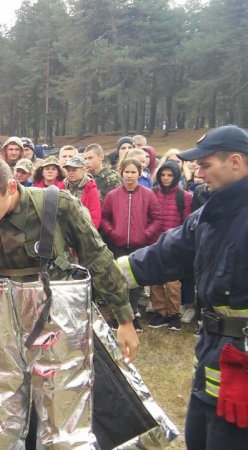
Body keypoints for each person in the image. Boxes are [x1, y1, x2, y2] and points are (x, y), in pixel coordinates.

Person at [0, 155, 138, 447]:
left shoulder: (58, 206)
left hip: (55, 320)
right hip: (0, 324)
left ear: (11, 187)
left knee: (63, 410)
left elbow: (98, 259)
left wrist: (124, 318)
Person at [116, 125, 248, 448]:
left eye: (205, 165)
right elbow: (164, 255)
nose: (198, 173)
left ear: (235, 162)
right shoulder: (209, 214)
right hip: (210, 364)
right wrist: (104, 276)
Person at [101, 157, 162, 331]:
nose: (129, 175)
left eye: (133, 172)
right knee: (119, 280)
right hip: (117, 244)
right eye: (126, 172)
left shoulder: (148, 194)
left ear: (139, 174)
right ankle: (119, 315)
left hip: (138, 244)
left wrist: (145, 234)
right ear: (121, 173)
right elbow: (105, 218)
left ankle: (133, 314)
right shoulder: (113, 195)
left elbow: (157, 218)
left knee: (134, 281)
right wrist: (113, 233)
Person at [147, 160, 191, 331]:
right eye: (163, 175)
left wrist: (181, 241)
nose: (166, 178)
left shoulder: (183, 196)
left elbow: (187, 221)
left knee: (172, 282)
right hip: (154, 242)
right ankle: (160, 312)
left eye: (170, 175)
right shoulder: (152, 193)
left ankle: (174, 314)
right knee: (155, 279)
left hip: (174, 243)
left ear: (176, 176)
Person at [63, 155, 101, 228]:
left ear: (84, 170)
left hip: (83, 230)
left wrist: (87, 232)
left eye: (74, 170)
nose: (70, 173)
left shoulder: (90, 188)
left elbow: (95, 216)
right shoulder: (62, 187)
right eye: (68, 170)